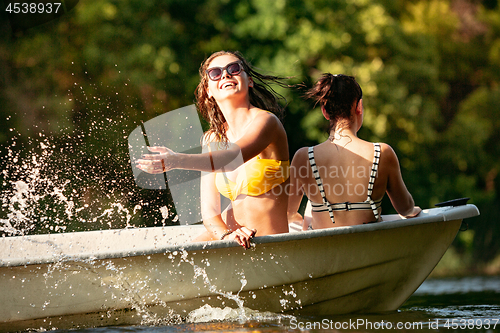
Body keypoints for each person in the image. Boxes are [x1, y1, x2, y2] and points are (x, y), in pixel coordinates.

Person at [136, 51, 290, 248]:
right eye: (215, 73)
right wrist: (227, 237)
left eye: (234, 69)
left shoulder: (267, 122)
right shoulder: (212, 138)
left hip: (271, 247)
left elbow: (232, 156)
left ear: (249, 81)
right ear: (208, 89)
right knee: (167, 264)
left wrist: (177, 160)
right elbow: (210, 214)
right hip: (234, 242)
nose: (225, 75)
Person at [287, 74, 421, 230]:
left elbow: (288, 212)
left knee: (312, 204)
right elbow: (406, 209)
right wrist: (414, 209)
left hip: (324, 248)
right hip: (367, 246)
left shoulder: (303, 157)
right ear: (359, 107)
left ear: (325, 111)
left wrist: (303, 219)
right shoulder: (383, 153)